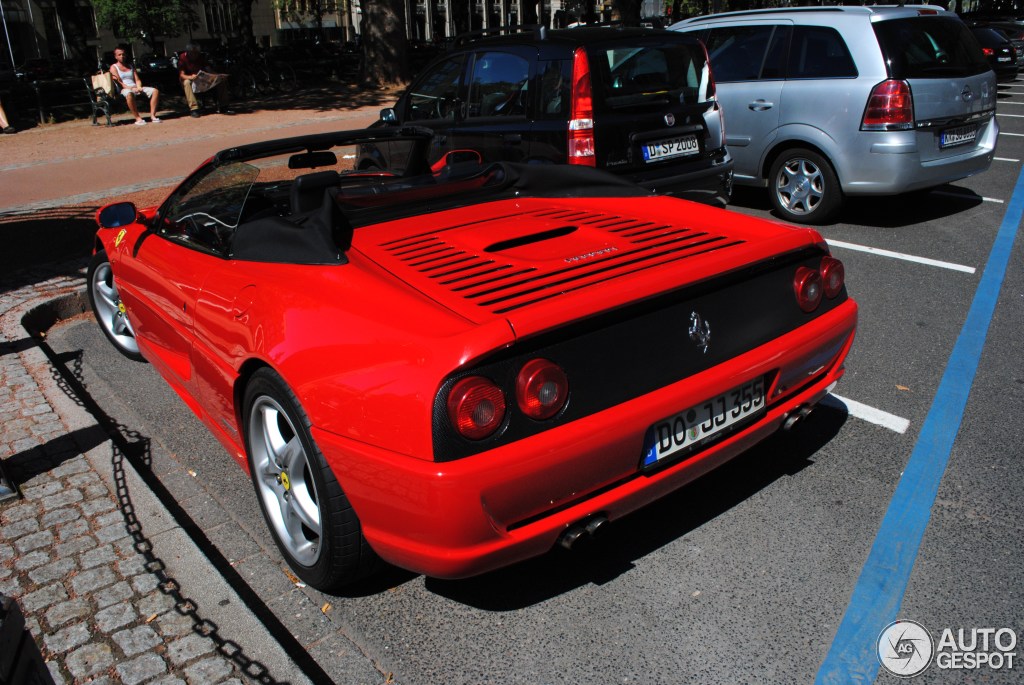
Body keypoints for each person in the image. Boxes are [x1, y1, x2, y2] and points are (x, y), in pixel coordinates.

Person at [109, 46, 161, 125]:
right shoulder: (113, 67)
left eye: (123, 54)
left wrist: (139, 87)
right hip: (124, 89)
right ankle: (138, 118)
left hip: (135, 87)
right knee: (129, 94)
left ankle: (153, 116)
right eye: (119, 55)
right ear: (115, 56)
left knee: (155, 91)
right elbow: (119, 82)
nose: (122, 56)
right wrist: (131, 88)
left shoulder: (130, 66)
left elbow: (137, 80)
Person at [177, 43, 230, 118]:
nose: (195, 55)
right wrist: (190, 77)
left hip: (202, 78)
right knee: (187, 82)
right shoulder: (183, 57)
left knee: (221, 81)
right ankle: (194, 109)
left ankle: (224, 106)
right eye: (193, 53)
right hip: (190, 78)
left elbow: (208, 69)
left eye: (196, 53)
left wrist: (217, 75)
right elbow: (182, 75)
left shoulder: (201, 57)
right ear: (188, 52)